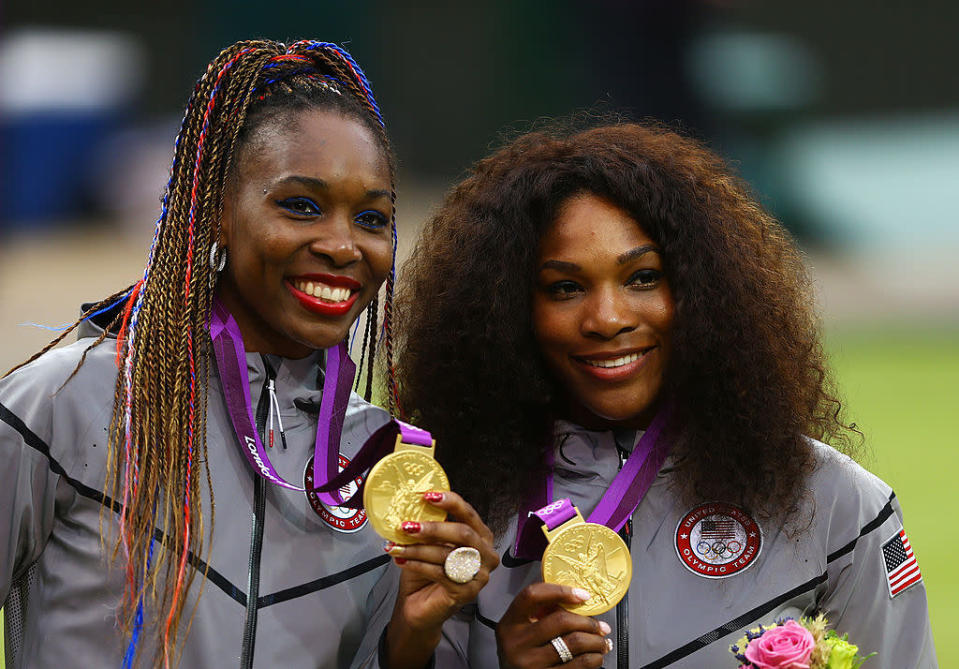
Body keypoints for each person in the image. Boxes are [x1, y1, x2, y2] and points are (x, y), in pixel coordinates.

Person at [0, 39, 494, 669]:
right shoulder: (70, 403)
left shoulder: (385, 469)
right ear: (216, 216)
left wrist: (415, 636)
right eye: (301, 207)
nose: (344, 246)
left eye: (372, 219)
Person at [371, 121, 938, 667]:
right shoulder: (450, 513)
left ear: (703, 289)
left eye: (643, 277)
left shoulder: (836, 504)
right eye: (565, 288)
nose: (608, 318)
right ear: (507, 313)